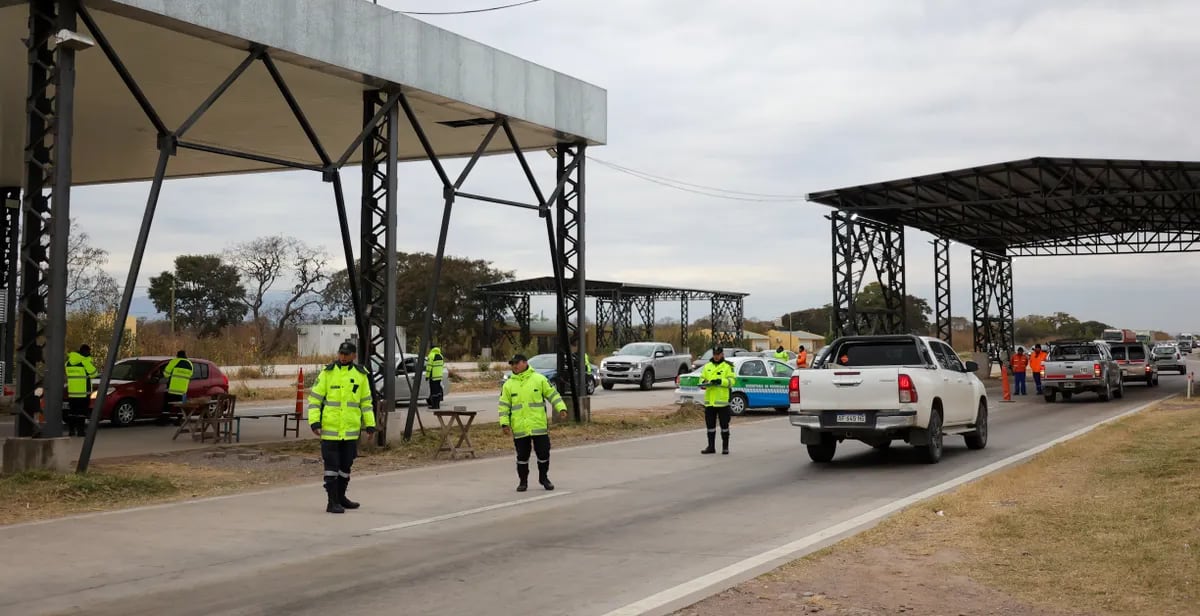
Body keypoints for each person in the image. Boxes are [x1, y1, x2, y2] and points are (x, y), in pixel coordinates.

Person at [308, 341, 376, 514]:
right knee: (332, 467)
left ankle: (341, 497)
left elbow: (366, 403)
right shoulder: (327, 373)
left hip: (350, 432)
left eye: (347, 354)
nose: (343, 357)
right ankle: (332, 502)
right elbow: (315, 400)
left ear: (354, 355)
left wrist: (370, 425)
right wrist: (314, 422)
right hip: (330, 431)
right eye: (341, 354)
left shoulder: (361, 375)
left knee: (345, 466)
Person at [499, 353, 567, 492]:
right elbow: (503, 406)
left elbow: (553, 395)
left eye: (517, 363)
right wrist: (504, 424)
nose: (514, 366)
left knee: (543, 453)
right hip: (520, 427)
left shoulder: (539, 379)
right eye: (512, 364)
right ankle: (523, 481)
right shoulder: (508, 385)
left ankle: (544, 478)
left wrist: (561, 408)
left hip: (538, 426)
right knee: (522, 457)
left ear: (525, 363)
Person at [700, 347, 736, 455]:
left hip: (722, 402)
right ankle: (711, 447)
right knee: (710, 426)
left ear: (722, 354)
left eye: (718, 354)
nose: (716, 356)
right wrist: (704, 382)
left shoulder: (728, 366)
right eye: (715, 354)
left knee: (724, 425)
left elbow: (732, 381)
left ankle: (725, 447)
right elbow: (701, 379)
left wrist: (721, 381)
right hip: (710, 401)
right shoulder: (707, 366)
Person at [64, 344, 98, 437]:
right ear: (85, 352)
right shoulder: (84, 361)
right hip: (83, 393)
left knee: (72, 412)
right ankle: (81, 431)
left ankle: (71, 431)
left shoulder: (68, 363)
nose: (89, 353)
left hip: (72, 393)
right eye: (89, 352)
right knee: (82, 413)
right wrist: (88, 361)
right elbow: (94, 373)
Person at [162, 350, 193, 415]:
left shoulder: (174, 361)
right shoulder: (190, 363)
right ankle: (179, 420)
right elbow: (190, 375)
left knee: (167, 405)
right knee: (181, 407)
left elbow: (166, 374)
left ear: (177, 355)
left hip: (172, 390)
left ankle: (164, 420)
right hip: (183, 391)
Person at [425, 345, 445, 410]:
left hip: (433, 377)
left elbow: (429, 367)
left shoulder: (431, 356)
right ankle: (438, 405)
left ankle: (434, 406)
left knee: (433, 392)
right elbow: (442, 366)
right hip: (439, 377)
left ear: (431, 349)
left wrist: (427, 376)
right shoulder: (441, 356)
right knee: (438, 392)